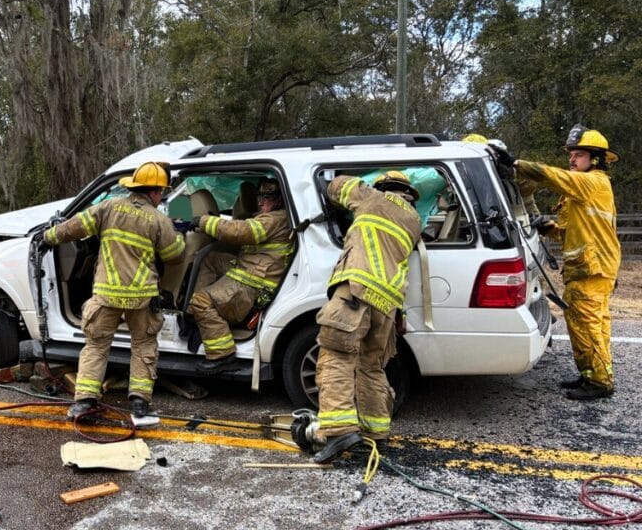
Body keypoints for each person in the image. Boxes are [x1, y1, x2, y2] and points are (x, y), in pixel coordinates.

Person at [39, 161, 185, 426]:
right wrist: (180, 237)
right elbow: (174, 257)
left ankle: (83, 403)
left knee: (96, 345)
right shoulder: (158, 219)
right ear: (153, 192)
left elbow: (74, 227)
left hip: (106, 295)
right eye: (161, 192)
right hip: (141, 297)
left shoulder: (108, 207)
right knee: (143, 345)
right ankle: (140, 402)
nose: (161, 196)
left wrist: (47, 236)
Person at [308, 171, 422, 463]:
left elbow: (337, 187)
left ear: (382, 187)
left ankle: (338, 432)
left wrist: (332, 179)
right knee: (372, 366)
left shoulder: (372, 198)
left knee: (335, 356)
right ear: (408, 193)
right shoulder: (414, 221)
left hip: (356, 292)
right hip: (387, 304)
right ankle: (375, 434)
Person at [514, 124, 620, 400]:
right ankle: (590, 374)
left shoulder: (595, 182)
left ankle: (600, 383)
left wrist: (517, 165)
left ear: (595, 159)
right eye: (571, 154)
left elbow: (555, 177)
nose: (572, 159)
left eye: (579, 154)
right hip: (587, 269)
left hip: (592, 270)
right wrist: (547, 226)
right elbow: (568, 229)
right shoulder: (581, 193)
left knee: (588, 324)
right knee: (583, 323)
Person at [186, 179, 295, 374]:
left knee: (201, 301)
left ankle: (222, 355)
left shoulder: (274, 219)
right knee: (211, 258)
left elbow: (242, 232)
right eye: (259, 197)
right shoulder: (276, 216)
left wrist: (204, 221)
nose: (261, 202)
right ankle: (202, 316)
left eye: (267, 197)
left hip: (253, 282)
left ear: (279, 200)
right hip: (254, 270)